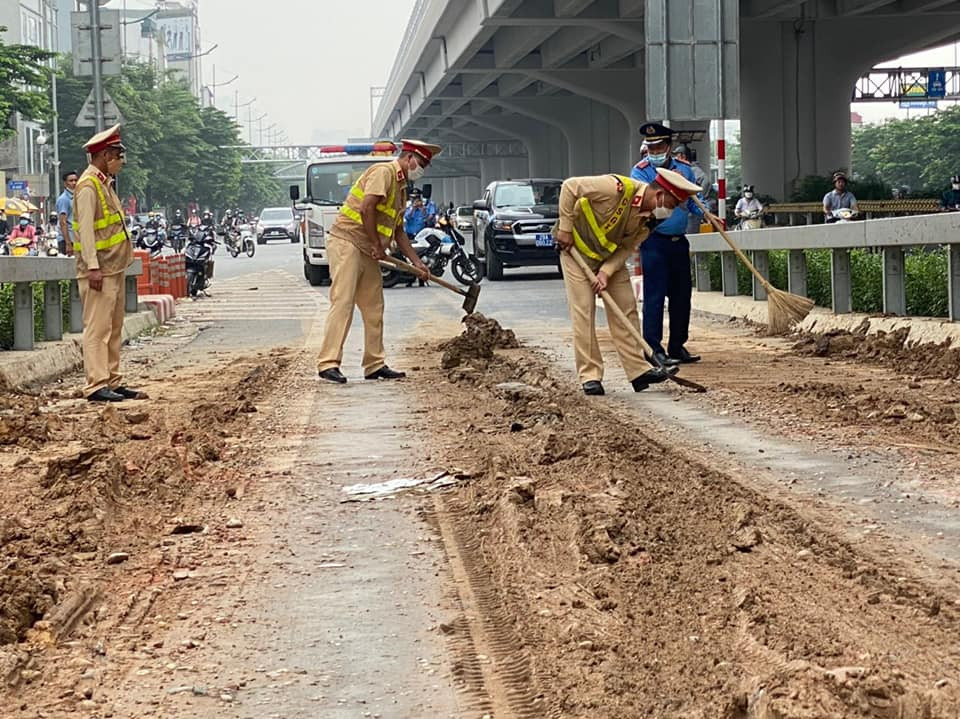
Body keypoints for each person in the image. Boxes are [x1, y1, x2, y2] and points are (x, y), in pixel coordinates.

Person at [555, 168, 704, 396]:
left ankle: (638, 371)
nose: (670, 211)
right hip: (576, 253)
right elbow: (570, 186)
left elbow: (626, 247)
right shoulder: (616, 188)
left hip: (608, 259)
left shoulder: (649, 222)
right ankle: (591, 376)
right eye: (672, 205)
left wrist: (605, 272)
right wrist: (565, 229)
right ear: (659, 195)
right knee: (584, 312)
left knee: (626, 308)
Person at [316, 139, 436, 384]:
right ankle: (328, 363)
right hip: (347, 241)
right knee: (343, 302)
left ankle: (374, 364)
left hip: (368, 248)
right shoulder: (384, 172)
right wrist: (375, 244)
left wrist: (417, 263)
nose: (421, 169)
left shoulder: (401, 188)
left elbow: (399, 231)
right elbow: (366, 209)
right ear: (409, 157)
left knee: (374, 307)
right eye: (421, 163)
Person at [73, 124, 145, 403]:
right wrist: (92, 266)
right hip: (99, 270)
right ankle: (96, 384)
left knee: (114, 329)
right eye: (117, 154)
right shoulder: (88, 186)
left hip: (113, 268)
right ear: (104, 155)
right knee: (97, 329)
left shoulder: (104, 183)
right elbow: (87, 232)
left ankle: (112, 380)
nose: (121, 161)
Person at [630, 122, 704, 366]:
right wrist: (671, 187)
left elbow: (695, 202)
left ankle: (677, 345)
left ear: (669, 146)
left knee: (682, 296)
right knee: (655, 296)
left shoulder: (685, 170)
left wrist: (706, 212)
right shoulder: (640, 172)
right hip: (654, 242)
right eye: (650, 147)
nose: (654, 151)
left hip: (678, 242)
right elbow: (648, 203)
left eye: (659, 146)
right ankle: (653, 349)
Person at [57, 170, 78, 256]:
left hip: (76, 239)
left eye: (75, 180)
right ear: (65, 183)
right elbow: (63, 222)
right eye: (71, 180)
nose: (74, 183)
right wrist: (68, 244)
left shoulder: (76, 197)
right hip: (67, 240)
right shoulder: (64, 199)